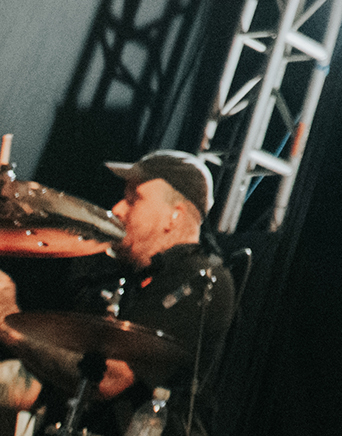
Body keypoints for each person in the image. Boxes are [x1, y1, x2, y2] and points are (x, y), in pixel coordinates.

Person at [1, 150, 237, 436]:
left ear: (174, 216)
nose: (117, 209)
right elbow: (64, 371)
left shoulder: (201, 279)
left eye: (134, 199)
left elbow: (109, 380)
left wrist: (7, 322)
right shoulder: (122, 274)